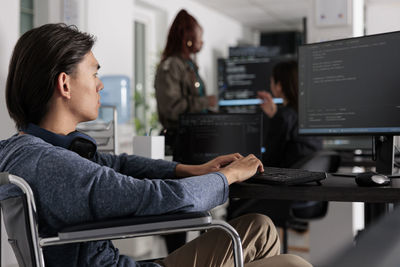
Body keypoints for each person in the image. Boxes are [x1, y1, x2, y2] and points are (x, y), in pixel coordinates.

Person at [0, 23, 312, 267]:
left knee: (260, 226)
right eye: (94, 72)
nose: (100, 84)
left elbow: (119, 165)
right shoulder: (54, 166)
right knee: (294, 263)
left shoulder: (30, 150)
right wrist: (228, 176)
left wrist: (188, 169)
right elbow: (154, 198)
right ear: (65, 84)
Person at [154, 9, 217, 156]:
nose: (202, 41)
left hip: (196, 139)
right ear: (188, 38)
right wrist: (205, 102)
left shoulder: (189, 65)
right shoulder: (171, 66)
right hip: (180, 142)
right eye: (199, 36)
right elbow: (171, 109)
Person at [257, 60, 322, 168]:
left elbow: (269, 160)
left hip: (285, 180)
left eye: (271, 82)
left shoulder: (283, 116)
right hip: (307, 178)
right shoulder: (310, 114)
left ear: (279, 86)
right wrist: (275, 115)